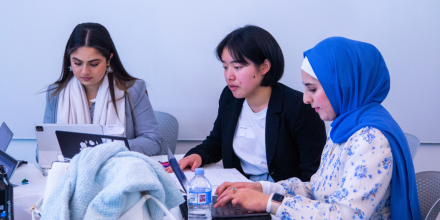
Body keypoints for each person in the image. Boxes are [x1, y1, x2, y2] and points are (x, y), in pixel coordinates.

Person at [214, 37, 422, 220]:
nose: (306, 98)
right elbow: (317, 189)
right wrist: (263, 189)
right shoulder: (345, 128)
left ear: (342, 86)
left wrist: (269, 203)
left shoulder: (370, 139)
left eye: (312, 88)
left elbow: (345, 216)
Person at [166, 25, 327, 183]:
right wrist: (198, 155)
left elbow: (312, 176)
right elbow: (217, 141)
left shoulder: (300, 107)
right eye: (225, 67)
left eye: (237, 67)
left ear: (264, 67)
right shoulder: (230, 97)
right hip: (239, 192)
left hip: (281, 199)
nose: (229, 76)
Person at [43, 23, 162, 156]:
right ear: (69, 59)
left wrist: (105, 149)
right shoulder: (56, 93)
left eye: (94, 64)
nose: (84, 71)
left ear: (108, 59)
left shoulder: (133, 90)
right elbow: (42, 151)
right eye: (77, 63)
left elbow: (153, 142)